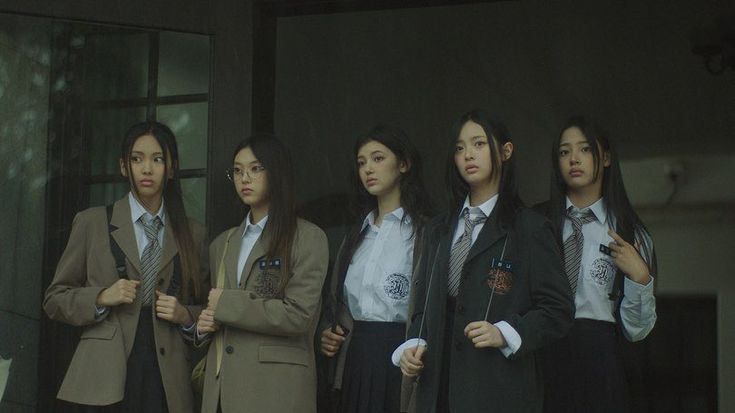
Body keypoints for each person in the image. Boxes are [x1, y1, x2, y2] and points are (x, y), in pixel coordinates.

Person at [396, 109, 574, 413]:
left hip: (497, 387)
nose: (468, 155)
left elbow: (558, 309)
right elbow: (423, 306)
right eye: (460, 148)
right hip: (437, 384)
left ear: (505, 152)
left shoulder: (529, 228)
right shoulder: (437, 228)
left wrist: (506, 332)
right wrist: (413, 345)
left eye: (478, 144)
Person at [44, 121, 207, 413]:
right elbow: (55, 299)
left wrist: (185, 315)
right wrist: (100, 297)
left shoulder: (193, 233)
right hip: (102, 374)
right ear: (123, 166)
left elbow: (208, 310)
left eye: (157, 159)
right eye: (137, 159)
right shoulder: (92, 222)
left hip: (166, 376)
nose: (147, 169)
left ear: (171, 168)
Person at [196, 135, 329, 413]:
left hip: (277, 391)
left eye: (256, 168)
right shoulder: (223, 242)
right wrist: (201, 324)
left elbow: (299, 316)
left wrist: (226, 305)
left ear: (277, 172)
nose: (245, 177)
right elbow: (212, 309)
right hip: (222, 392)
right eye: (237, 170)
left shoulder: (308, 237)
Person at [539, 116, 657, 413]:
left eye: (585, 150)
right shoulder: (535, 224)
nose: (573, 159)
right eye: (564, 152)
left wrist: (640, 278)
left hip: (598, 358)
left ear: (605, 157)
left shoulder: (630, 233)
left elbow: (637, 330)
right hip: (539, 352)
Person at [319, 126, 433, 413]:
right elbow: (337, 306)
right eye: (361, 162)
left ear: (404, 164)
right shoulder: (357, 234)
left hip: (402, 352)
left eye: (378, 158)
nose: (368, 168)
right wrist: (328, 333)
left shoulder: (426, 232)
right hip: (356, 354)